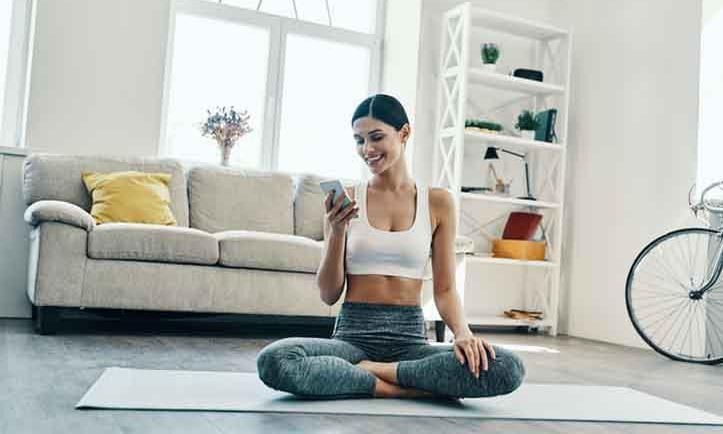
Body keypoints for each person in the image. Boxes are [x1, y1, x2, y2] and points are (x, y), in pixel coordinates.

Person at [256, 93, 525, 399]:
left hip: (410, 342)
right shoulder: (345, 199)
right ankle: (406, 389)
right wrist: (336, 231)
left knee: (507, 366)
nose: (367, 149)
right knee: (275, 360)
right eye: (359, 140)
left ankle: (374, 373)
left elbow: (446, 290)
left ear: (404, 133)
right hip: (352, 341)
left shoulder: (438, 202)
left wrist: (463, 334)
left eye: (376, 137)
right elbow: (329, 293)